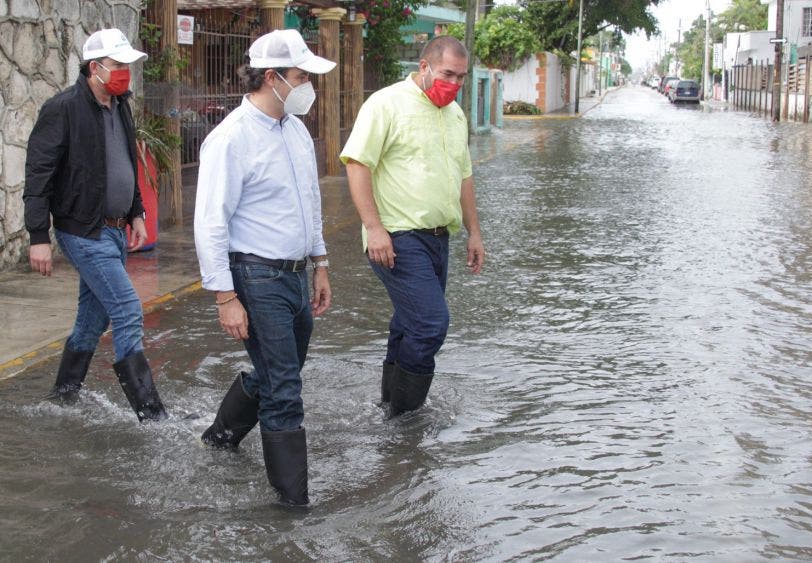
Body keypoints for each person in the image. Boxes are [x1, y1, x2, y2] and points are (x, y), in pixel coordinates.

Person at [194, 29, 336, 506]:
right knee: (285, 390)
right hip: (255, 275)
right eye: (301, 76)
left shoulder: (295, 130)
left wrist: (320, 263)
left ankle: (219, 437)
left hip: (295, 274)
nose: (308, 86)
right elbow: (210, 222)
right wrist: (225, 296)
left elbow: (310, 201)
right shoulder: (230, 138)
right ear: (272, 78)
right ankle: (293, 504)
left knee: (280, 371)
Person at [23, 28, 167, 422]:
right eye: (117, 65)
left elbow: (125, 162)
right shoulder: (63, 108)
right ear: (94, 68)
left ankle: (62, 396)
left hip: (116, 229)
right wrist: (38, 236)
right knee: (127, 309)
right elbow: (38, 174)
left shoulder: (120, 105)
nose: (125, 73)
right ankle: (152, 416)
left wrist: (136, 212)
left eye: (127, 65)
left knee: (93, 317)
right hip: (83, 230)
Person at [340, 35, 485, 418]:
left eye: (461, 77)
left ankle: (389, 407)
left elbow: (464, 176)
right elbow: (358, 164)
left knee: (408, 323)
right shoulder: (386, 104)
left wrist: (474, 231)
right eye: (447, 74)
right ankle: (406, 419)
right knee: (430, 324)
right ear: (424, 67)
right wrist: (373, 228)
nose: (454, 83)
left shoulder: (455, 115)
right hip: (397, 235)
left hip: (439, 238)